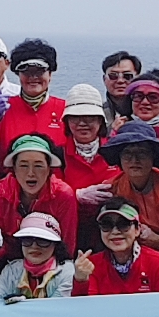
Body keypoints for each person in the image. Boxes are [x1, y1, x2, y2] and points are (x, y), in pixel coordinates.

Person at [96, 122, 159, 269]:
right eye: (127, 154)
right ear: (119, 158)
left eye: (142, 153)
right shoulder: (110, 189)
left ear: (153, 157)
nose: (134, 160)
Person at [0, 135, 80, 276]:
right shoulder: (0, 194)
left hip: (52, 268)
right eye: (23, 165)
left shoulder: (63, 195)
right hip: (8, 266)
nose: (31, 173)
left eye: (38, 166)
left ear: (49, 169)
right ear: (14, 169)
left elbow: (67, 247)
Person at [0, 38, 68, 164]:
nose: (33, 77)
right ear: (18, 74)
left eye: (39, 71)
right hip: (10, 176)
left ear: (50, 74)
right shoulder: (5, 108)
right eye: (26, 72)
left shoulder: (65, 109)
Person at [71, 200, 159, 296]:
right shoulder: (90, 265)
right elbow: (85, 309)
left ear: (137, 229)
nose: (115, 231)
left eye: (123, 224)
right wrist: (81, 280)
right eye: (106, 225)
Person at [57, 84, 118, 240]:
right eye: (75, 118)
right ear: (66, 121)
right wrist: (76, 196)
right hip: (70, 232)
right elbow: (48, 195)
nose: (82, 123)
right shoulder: (57, 155)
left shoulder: (117, 151)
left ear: (100, 121)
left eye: (89, 118)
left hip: (114, 231)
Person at [0, 213, 76, 301]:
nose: (34, 246)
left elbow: (56, 307)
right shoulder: (11, 270)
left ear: (55, 244)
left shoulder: (67, 271)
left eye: (42, 240)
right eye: (27, 240)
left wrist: (21, 305)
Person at [99, 50, 141, 128]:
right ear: (104, 79)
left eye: (127, 76)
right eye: (113, 76)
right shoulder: (98, 115)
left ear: (138, 79)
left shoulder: (149, 111)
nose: (120, 81)